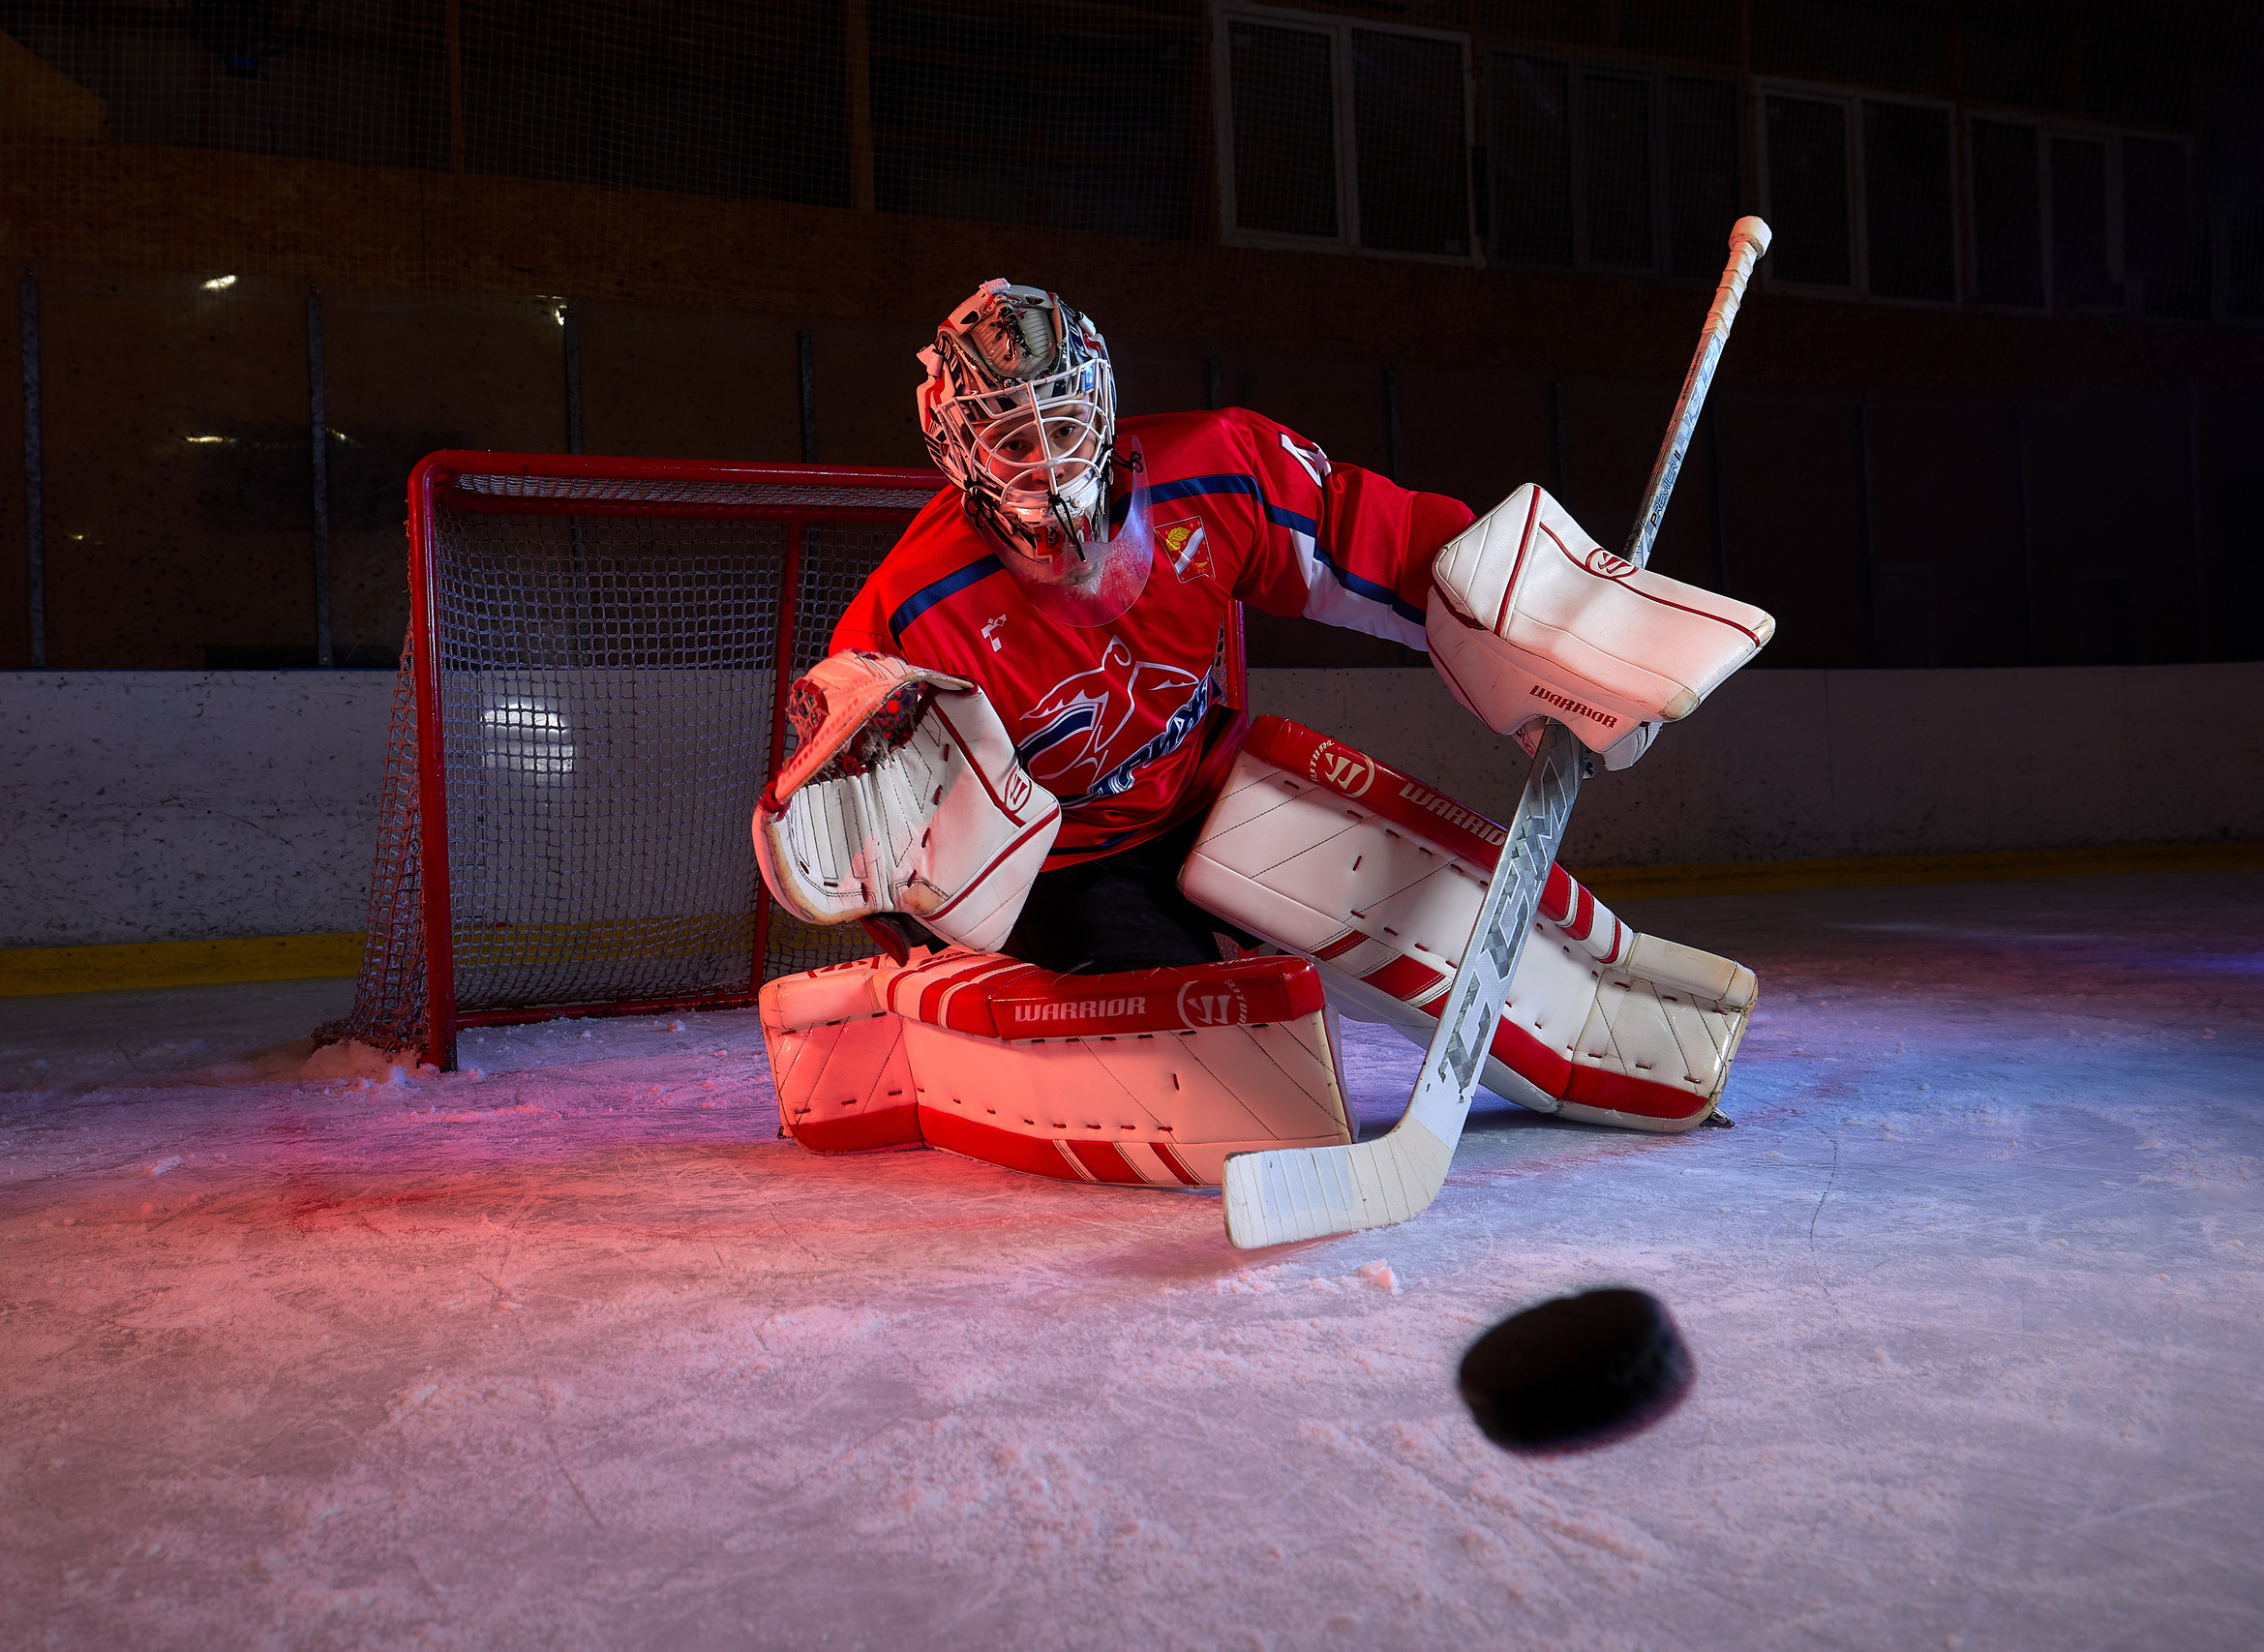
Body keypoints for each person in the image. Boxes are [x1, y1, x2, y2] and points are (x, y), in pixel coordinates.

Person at [749, 280, 1773, 1184]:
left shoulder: (1217, 469)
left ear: (1103, 403)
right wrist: (932, 932)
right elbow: (890, 844)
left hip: (1207, 785)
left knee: (1430, 884)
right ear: (956, 450)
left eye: (1064, 421)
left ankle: (1636, 1046)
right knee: (1240, 1065)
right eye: (1012, 437)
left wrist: (1548, 642)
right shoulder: (912, 616)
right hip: (1071, 868)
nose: (1048, 460)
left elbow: (1384, 545)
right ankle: (919, 1029)